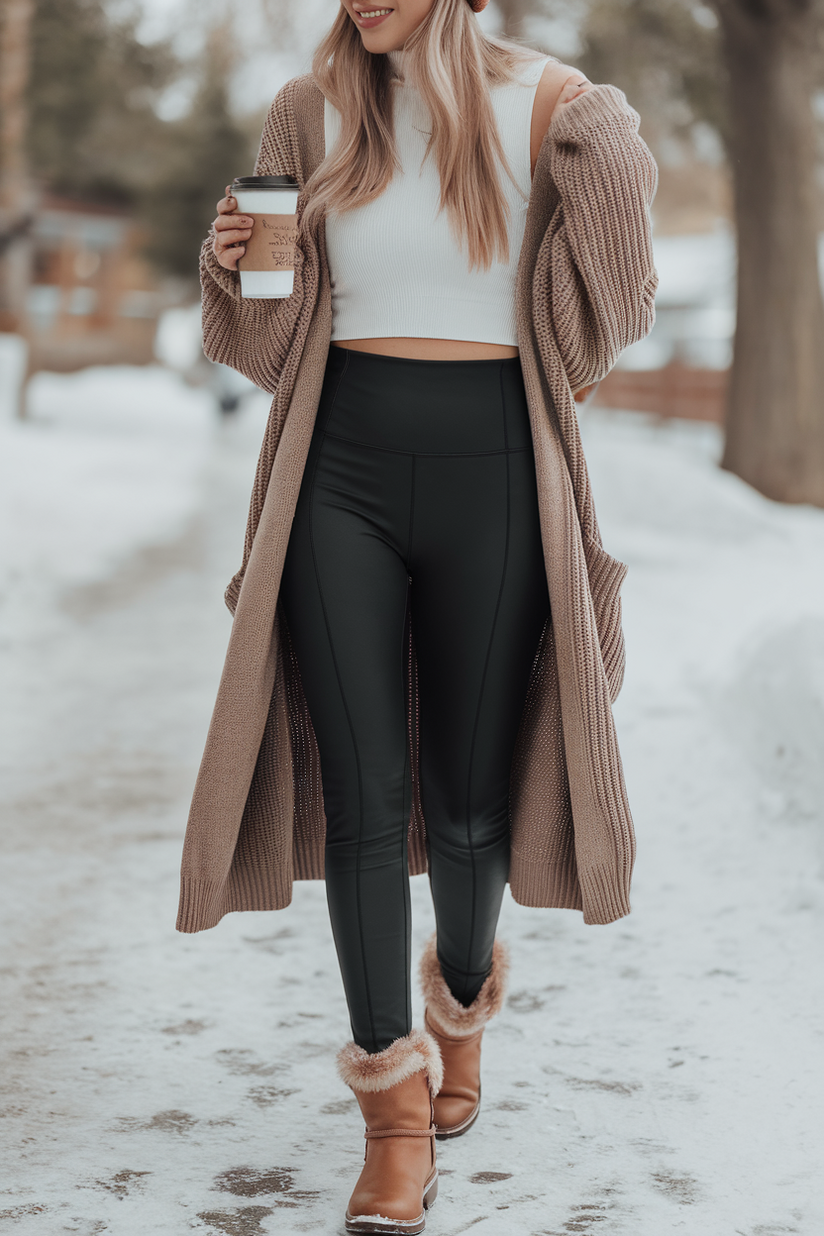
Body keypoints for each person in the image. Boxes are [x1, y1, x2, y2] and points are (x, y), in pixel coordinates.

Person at [176, 0, 658, 1231]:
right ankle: (391, 1106)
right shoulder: (308, 109)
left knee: (464, 805)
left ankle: (462, 1001)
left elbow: (615, 311)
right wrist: (233, 267)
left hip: (496, 466)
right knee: (364, 794)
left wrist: (610, 154)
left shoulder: (555, 110)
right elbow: (272, 344)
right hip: (333, 470)